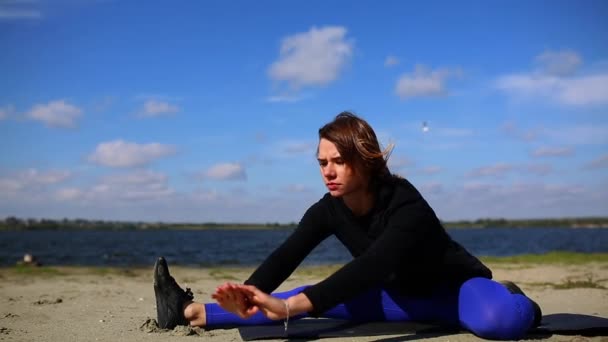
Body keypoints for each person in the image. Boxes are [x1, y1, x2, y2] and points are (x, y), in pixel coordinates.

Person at [153, 111, 542, 340]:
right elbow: (287, 254)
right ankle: (187, 311)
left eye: (337, 160)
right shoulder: (328, 208)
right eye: (322, 163)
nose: (328, 171)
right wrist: (248, 294)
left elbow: (375, 263)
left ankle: (510, 295)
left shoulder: (405, 202)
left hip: (454, 291)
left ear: (365, 159)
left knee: (500, 322)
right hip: (393, 298)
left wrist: (289, 306)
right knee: (306, 298)